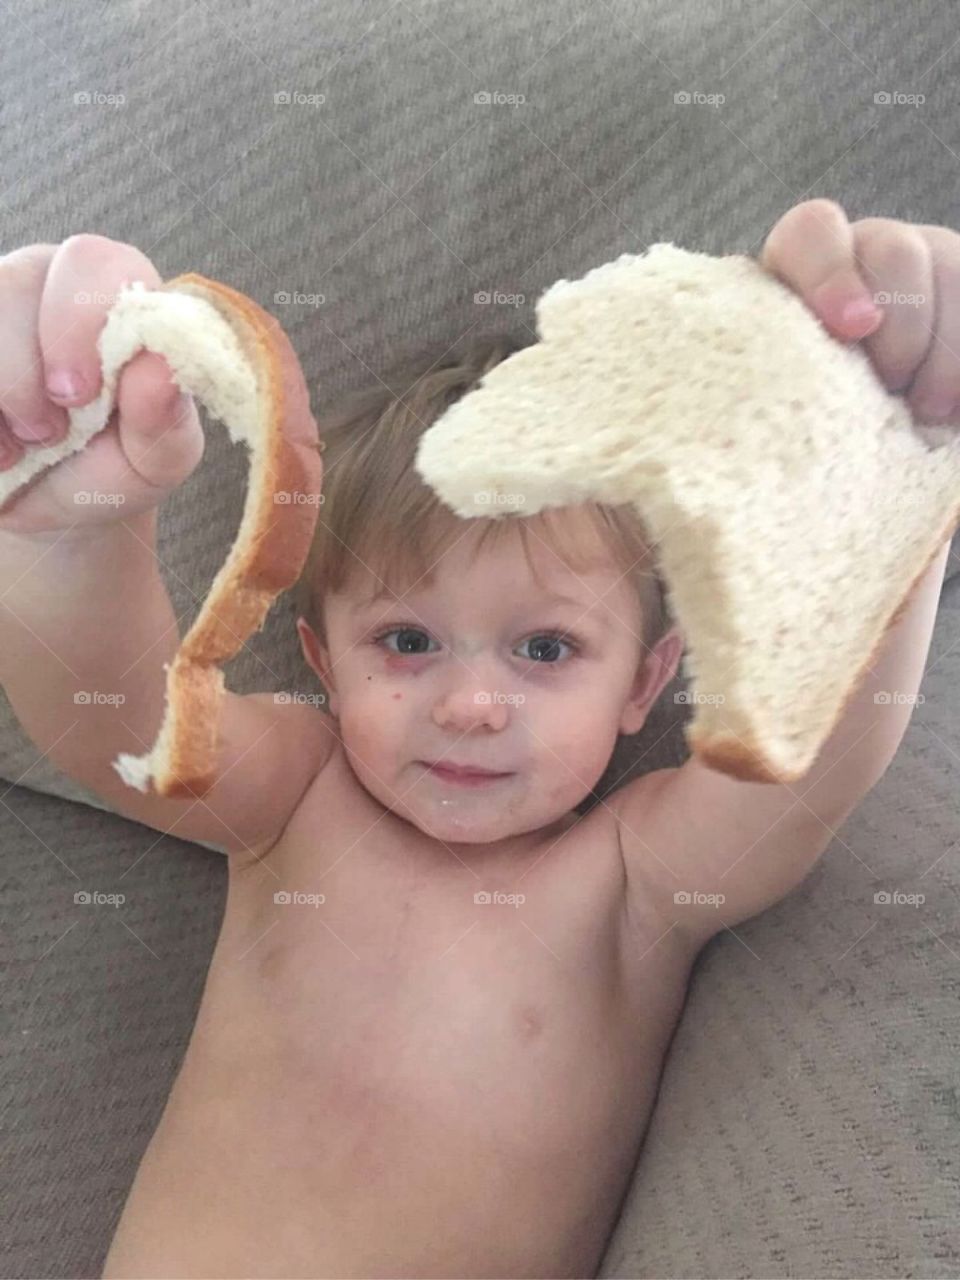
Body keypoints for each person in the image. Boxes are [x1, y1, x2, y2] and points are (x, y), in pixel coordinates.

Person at [0, 198, 954, 1278]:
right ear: (323, 663)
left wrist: (901, 447)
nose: (470, 706)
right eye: (406, 641)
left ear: (644, 683)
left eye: (545, 650)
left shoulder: (632, 880)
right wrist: (72, 527)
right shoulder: (301, 801)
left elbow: (810, 761)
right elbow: (128, 721)